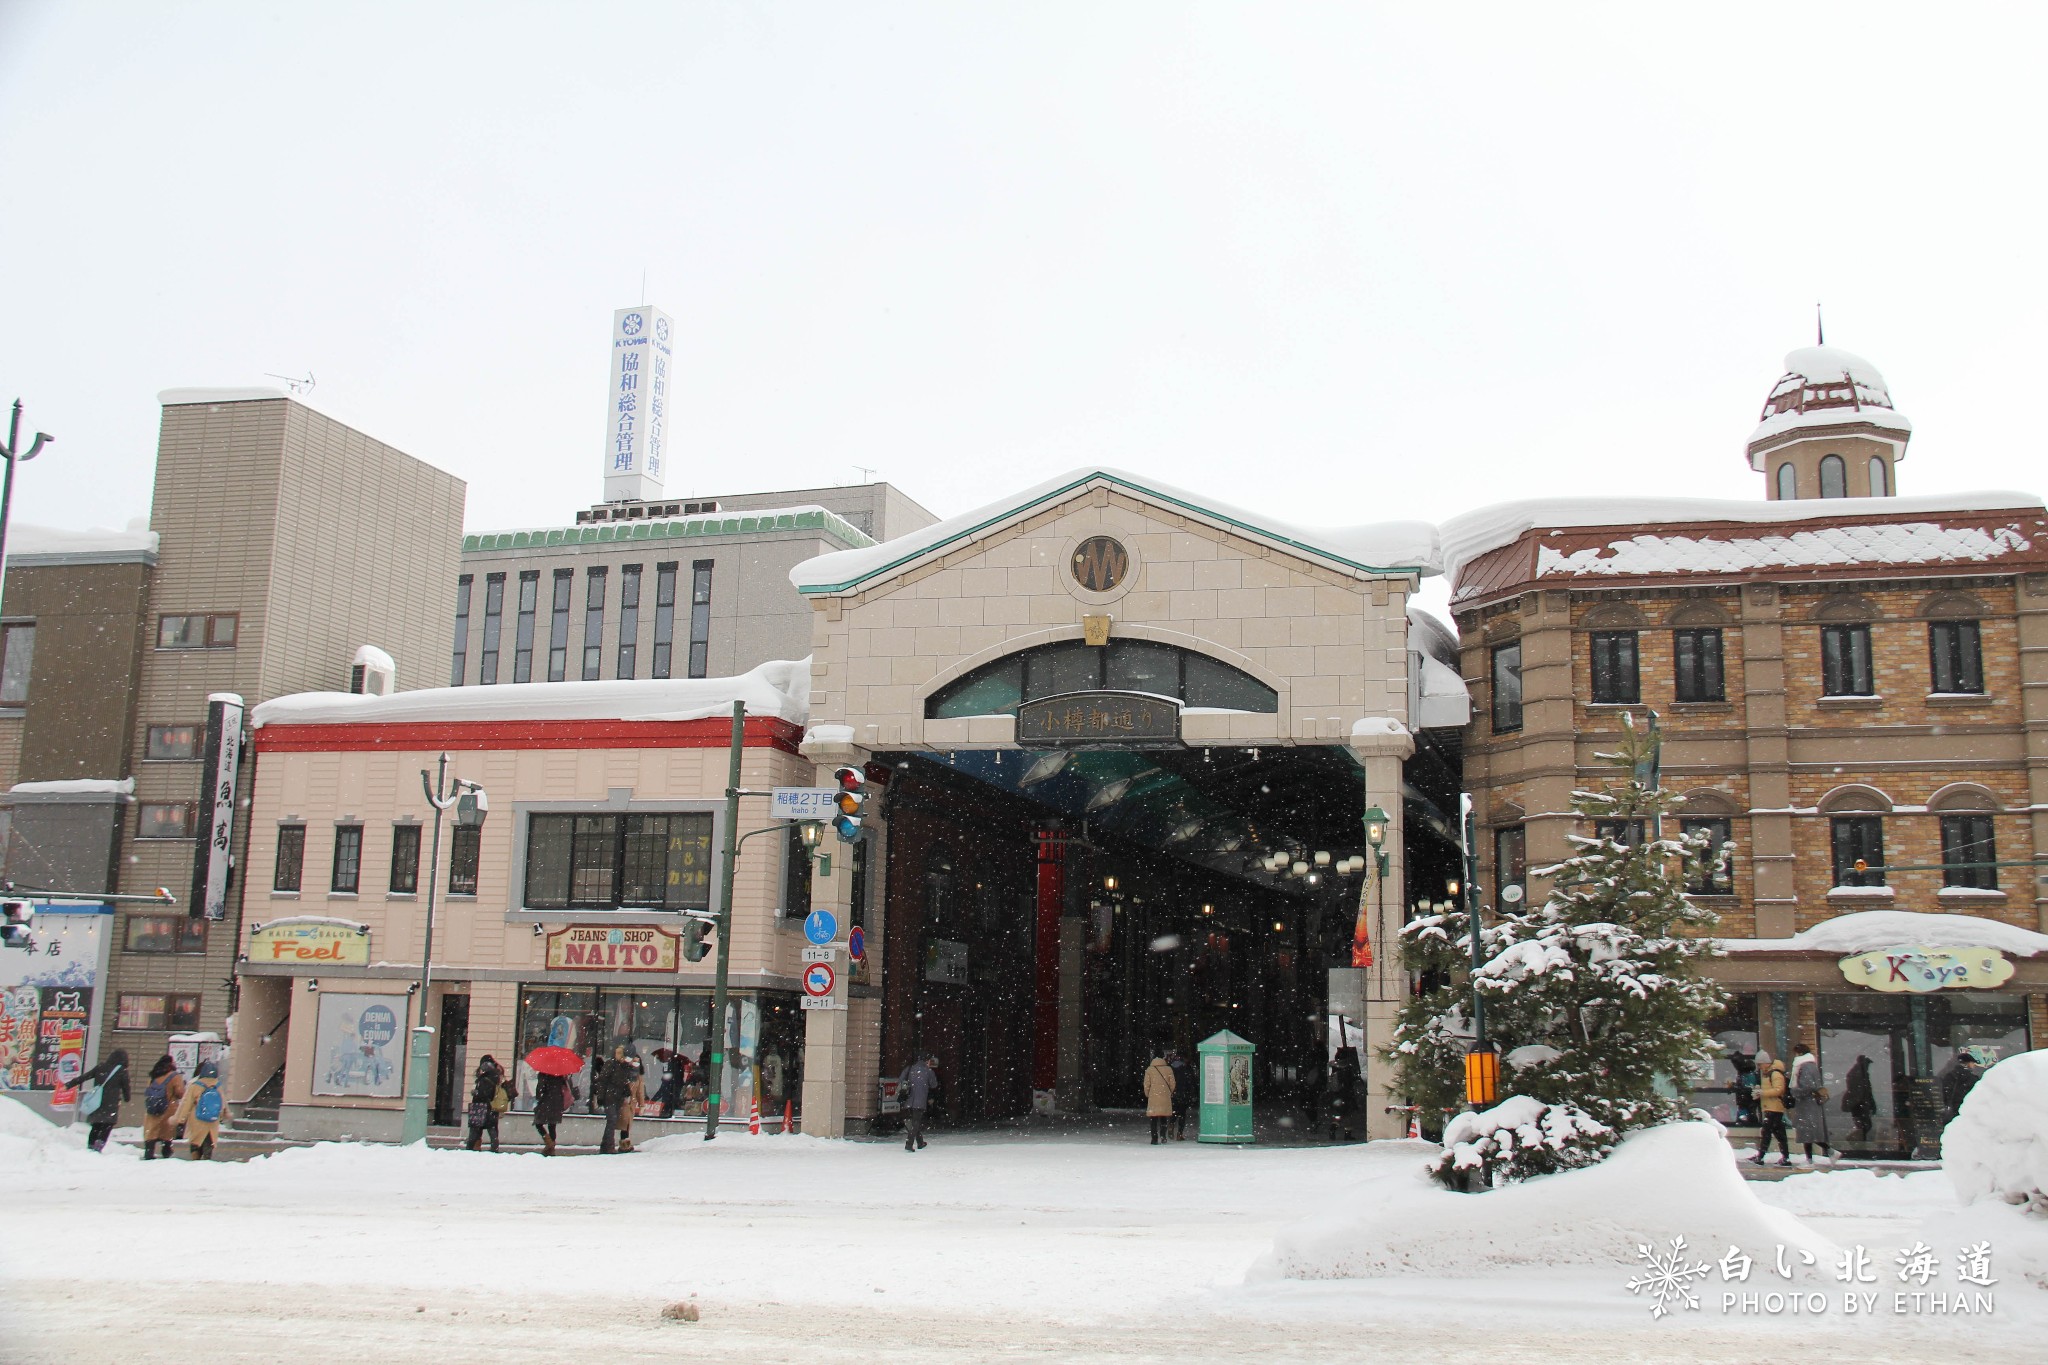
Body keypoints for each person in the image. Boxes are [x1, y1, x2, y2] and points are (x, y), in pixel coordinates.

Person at [75, 1048, 130, 1152]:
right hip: (111, 1104)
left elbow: (84, 1077)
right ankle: (98, 1147)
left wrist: (69, 1084)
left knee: (96, 1125)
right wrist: (126, 1097)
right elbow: (126, 1089)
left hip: (97, 1102)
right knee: (107, 1126)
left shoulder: (100, 1067)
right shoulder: (122, 1071)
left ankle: (90, 1147)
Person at [173, 1060, 225, 1160]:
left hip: (197, 1118)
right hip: (212, 1119)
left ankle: (195, 1158)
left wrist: (181, 1119)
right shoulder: (218, 1085)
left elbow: (186, 1104)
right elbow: (222, 1103)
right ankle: (207, 1157)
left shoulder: (195, 1085)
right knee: (209, 1141)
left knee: (195, 1141)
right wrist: (222, 1115)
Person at [1790, 1041, 1831, 1165]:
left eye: (1796, 1053)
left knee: (1807, 1132)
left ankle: (1822, 1155)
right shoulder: (1812, 1065)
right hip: (1811, 1103)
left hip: (1807, 1104)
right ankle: (1812, 1158)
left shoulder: (1804, 1066)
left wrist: (1794, 1091)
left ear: (1800, 1053)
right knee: (1809, 1132)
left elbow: (1807, 1086)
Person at [140, 1054, 186, 1160]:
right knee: (167, 1132)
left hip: (152, 1107)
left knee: (152, 1131)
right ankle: (166, 1152)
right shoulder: (174, 1076)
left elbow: (148, 1090)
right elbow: (180, 1093)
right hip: (168, 1108)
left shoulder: (153, 1075)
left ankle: (149, 1152)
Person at [1752, 1051, 1791, 1166]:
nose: (1759, 1067)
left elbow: (1779, 1089)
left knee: (1767, 1132)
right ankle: (1786, 1157)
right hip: (1771, 1107)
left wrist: (1763, 1092)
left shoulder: (1775, 1074)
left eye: (1760, 1064)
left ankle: (1761, 1156)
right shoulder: (1768, 1073)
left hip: (1774, 1107)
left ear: (1765, 1063)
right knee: (1779, 1133)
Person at [595, 1045, 635, 1154]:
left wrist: (626, 1091)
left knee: (612, 1121)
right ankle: (608, 1145)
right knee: (612, 1120)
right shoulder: (611, 1064)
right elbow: (602, 1081)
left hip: (618, 1097)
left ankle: (605, 1145)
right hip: (610, 1097)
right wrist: (601, 1096)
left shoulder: (624, 1066)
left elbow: (624, 1081)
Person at [465, 1055, 507, 1152]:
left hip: (481, 1107)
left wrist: (476, 1093)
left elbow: (484, 1093)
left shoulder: (486, 1078)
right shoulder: (496, 1076)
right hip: (492, 1107)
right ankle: (494, 1148)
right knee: (492, 1129)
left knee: (475, 1130)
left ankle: (471, 1148)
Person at [899, 1054, 938, 1152]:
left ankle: (920, 1142)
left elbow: (900, 1080)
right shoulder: (928, 1071)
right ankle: (909, 1144)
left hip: (909, 1100)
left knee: (915, 1121)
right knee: (916, 1123)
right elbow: (934, 1085)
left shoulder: (909, 1068)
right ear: (927, 1061)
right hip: (920, 1101)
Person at [1326, 1046, 1363, 1142]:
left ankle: (1333, 1128)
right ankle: (1347, 1134)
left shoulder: (1335, 1067)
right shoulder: (1347, 1068)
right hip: (1347, 1095)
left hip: (1337, 1096)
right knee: (1348, 1116)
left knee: (1338, 1115)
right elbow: (1351, 1081)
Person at [532, 1068, 570, 1156]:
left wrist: (539, 1097)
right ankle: (551, 1149)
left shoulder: (543, 1073)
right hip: (557, 1102)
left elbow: (540, 1089)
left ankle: (550, 1145)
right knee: (552, 1125)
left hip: (546, 1101)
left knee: (538, 1123)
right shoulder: (560, 1074)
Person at [1142, 1047, 1176, 1145]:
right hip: (1165, 1096)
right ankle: (1163, 1136)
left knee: (1153, 1118)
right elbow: (1173, 1084)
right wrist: (1169, 1092)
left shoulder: (1149, 1069)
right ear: (1163, 1057)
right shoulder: (1168, 1069)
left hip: (1153, 1096)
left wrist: (1148, 1094)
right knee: (1163, 1118)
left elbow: (1146, 1084)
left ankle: (1154, 1138)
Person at [1842, 1055, 1877, 1143]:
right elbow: (1861, 1091)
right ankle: (1856, 1141)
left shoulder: (1859, 1073)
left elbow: (1865, 1091)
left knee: (1864, 1126)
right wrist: (1864, 1102)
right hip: (1859, 1105)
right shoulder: (1858, 1073)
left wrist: (1870, 1103)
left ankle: (1859, 1142)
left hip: (1860, 1104)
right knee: (1864, 1126)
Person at [1168, 1048, 1198, 1141]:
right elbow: (1192, 1082)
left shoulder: (1171, 1067)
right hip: (1184, 1093)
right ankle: (1179, 1134)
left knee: (1174, 1111)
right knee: (1182, 1114)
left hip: (1174, 1093)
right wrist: (1194, 1093)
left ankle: (1171, 1124)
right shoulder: (1187, 1068)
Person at [1729, 1051, 1760, 1128]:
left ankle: (1749, 1126)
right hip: (1747, 1101)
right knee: (1748, 1116)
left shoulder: (1746, 1074)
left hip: (1746, 1101)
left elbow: (1747, 1088)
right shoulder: (1748, 1074)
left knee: (1745, 1117)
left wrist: (1735, 1087)